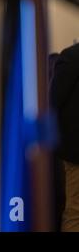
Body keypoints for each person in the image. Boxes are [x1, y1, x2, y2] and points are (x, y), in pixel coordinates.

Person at [50, 44, 79, 231]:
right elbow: (52, 101)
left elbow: (53, 100)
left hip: (74, 152)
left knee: (75, 213)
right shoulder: (72, 57)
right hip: (76, 155)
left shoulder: (71, 56)